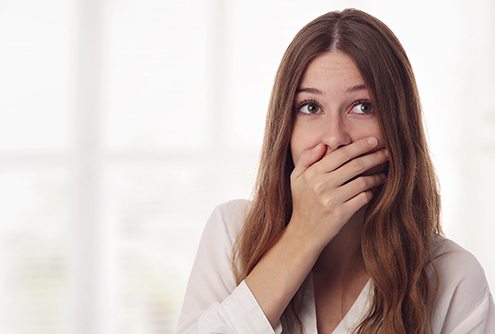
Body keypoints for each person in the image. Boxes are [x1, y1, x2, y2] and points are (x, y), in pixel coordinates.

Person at [174, 8, 495, 334]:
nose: (335, 137)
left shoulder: (454, 276)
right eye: (311, 107)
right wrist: (302, 236)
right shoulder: (232, 233)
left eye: (362, 107)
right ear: (286, 128)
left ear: (398, 127)